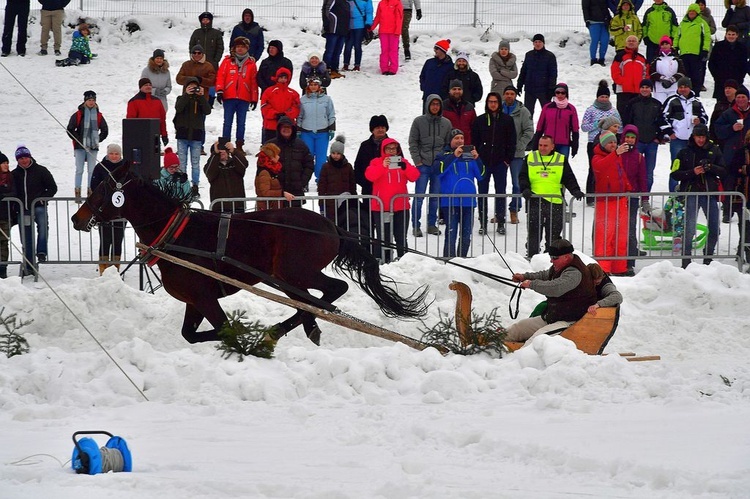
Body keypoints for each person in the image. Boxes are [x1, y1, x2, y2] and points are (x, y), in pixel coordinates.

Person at [506, 238, 597, 346]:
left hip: (570, 322)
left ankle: (520, 359)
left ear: (567, 256)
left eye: (555, 258)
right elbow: (546, 275)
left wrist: (531, 284)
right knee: (517, 329)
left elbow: (556, 288)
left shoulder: (574, 273)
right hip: (554, 317)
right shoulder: (561, 266)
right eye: (551, 257)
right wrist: (524, 276)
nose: (551, 261)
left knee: (535, 342)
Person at [670, 123, 726, 268]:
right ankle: (686, 260)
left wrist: (710, 167)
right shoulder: (684, 152)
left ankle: (708, 257)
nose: (700, 140)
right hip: (691, 193)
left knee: (715, 228)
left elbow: (724, 170)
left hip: (709, 193)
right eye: (697, 137)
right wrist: (692, 172)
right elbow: (674, 174)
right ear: (693, 137)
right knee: (689, 228)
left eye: (702, 137)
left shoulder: (715, 150)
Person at [520, 135, 584, 258]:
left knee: (553, 234)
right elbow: (523, 176)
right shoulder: (530, 158)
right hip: (535, 200)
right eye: (540, 145)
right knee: (534, 233)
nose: (542, 148)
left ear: (552, 146)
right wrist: (525, 189)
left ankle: (552, 258)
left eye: (545, 145)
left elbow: (568, 177)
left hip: (555, 201)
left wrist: (575, 190)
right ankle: (532, 257)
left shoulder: (560, 159)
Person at [365, 137, 419, 263]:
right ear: (383, 150)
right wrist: (383, 166)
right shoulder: (376, 162)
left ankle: (403, 261)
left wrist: (406, 167)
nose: (392, 151)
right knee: (384, 237)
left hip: (401, 206)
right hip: (381, 206)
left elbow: (414, 176)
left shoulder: (403, 162)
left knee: (401, 237)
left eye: (394, 148)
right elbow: (370, 175)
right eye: (389, 148)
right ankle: (383, 260)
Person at [471, 91, 517, 234]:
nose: (492, 104)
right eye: (490, 102)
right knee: (482, 192)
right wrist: (477, 156)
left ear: (499, 103)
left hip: (500, 163)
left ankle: (501, 221)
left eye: (495, 102)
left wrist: (507, 160)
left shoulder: (507, 120)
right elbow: (474, 141)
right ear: (487, 103)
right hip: (483, 163)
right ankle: (483, 223)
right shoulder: (480, 120)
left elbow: (512, 142)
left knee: (500, 192)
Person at [408, 93, 452, 237]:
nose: (435, 107)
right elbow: (413, 142)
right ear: (428, 105)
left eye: (437, 104)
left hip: (438, 166)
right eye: (432, 104)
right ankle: (416, 225)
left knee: (435, 197)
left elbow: (448, 144)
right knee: (419, 197)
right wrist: (417, 160)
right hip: (423, 164)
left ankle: (432, 224)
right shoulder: (418, 121)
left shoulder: (446, 123)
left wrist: (443, 160)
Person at [592, 130, 635, 275]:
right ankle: (603, 268)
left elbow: (621, 173)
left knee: (620, 236)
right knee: (605, 236)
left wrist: (628, 188)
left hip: (620, 199)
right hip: (605, 201)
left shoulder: (616, 156)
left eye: (615, 142)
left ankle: (619, 267)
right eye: (610, 142)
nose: (613, 144)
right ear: (603, 144)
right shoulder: (597, 157)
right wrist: (615, 153)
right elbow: (602, 167)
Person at [436, 129, 484, 258]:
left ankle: (462, 260)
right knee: (451, 233)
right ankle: (449, 260)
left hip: (468, 202)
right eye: (456, 138)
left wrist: (477, 159)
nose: (459, 141)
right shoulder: (443, 155)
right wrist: (453, 156)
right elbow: (438, 171)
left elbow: (482, 175)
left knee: (466, 234)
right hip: (450, 202)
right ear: (450, 141)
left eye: (461, 138)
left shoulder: (469, 157)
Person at [11, 145, 57, 276]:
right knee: (26, 237)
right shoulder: (14, 174)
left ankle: (41, 251)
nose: (24, 161)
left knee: (43, 227)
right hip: (23, 209)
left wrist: (43, 198)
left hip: (38, 207)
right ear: (17, 160)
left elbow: (52, 187)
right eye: (20, 159)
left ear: (30, 157)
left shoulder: (41, 171)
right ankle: (29, 264)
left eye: (25, 157)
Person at [622, 78, 669, 190]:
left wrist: (659, 137)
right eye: (642, 87)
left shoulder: (657, 104)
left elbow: (661, 121)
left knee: (648, 172)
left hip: (652, 142)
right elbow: (627, 122)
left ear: (651, 89)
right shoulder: (632, 103)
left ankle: (645, 197)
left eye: (647, 87)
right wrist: (627, 139)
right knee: (633, 170)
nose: (644, 89)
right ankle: (633, 196)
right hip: (635, 143)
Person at [663, 76, 708, 191]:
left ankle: (688, 192)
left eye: (685, 87)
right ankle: (673, 195)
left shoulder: (697, 102)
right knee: (676, 167)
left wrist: (700, 121)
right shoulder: (672, 100)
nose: (683, 89)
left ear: (690, 88)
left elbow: (705, 117)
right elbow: (663, 117)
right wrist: (670, 132)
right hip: (677, 139)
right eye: (681, 87)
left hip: (692, 141)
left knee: (692, 166)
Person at [581, 81, 622, 203]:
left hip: (610, 143)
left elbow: (620, 126)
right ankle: (590, 196)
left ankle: (606, 193)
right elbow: (584, 127)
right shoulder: (591, 110)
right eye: (601, 97)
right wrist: (598, 124)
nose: (604, 99)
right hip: (594, 142)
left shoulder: (614, 111)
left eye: (606, 97)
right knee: (593, 168)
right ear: (597, 97)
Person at [714, 87, 750, 223]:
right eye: (738, 97)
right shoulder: (728, 113)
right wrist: (731, 128)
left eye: (743, 97)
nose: (740, 99)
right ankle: (727, 211)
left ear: (748, 98)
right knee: (729, 182)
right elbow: (717, 130)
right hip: (731, 154)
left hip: (748, 155)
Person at [89, 143, 127, 275]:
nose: (114, 156)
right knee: (105, 239)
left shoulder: (124, 167)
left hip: (120, 210)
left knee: (118, 239)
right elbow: (94, 185)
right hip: (104, 210)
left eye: (116, 154)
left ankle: (115, 269)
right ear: (107, 154)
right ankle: (103, 268)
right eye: (111, 153)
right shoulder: (100, 167)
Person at [216, 36, 258, 151]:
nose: (240, 49)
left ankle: (239, 145)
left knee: (241, 123)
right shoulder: (227, 61)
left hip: (244, 97)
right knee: (227, 122)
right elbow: (221, 76)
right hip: (229, 96)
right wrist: (220, 90)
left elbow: (254, 81)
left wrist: (254, 98)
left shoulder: (251, 63)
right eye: (237, 47)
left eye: (242, 47)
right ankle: (225, 144)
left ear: (247, 48)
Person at [353, 114, 389, 251]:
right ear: (372, 129)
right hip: (370, 191)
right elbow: (358, 167)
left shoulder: (393, 145)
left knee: (385, 225)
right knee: (369, 223)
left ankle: (385, 252)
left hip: (387, 192)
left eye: (383, 127)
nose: (380, 130)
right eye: (377, 127)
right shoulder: (365, 146)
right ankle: (369, 252)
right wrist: (366, 183)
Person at [66, 89, 108, 202]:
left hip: (93, 147)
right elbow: (70, 129)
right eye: (89, 100)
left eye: (93, 100)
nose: (91, 102)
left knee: (91, 170)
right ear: (85, 101)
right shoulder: (78, 114)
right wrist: (78, 139)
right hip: (80, 146)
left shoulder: (99, 115)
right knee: (79, 169)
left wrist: (98, 139)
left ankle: (91, 191)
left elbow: (105, 129)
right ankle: (78, 192)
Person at [500, 86, 533, 225]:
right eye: (506, 93)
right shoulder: (498, 109)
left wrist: (520, 146)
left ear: (515, 95)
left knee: (517, 183)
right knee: (500, 185)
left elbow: (529, 131)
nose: (509, 96)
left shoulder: (523, 111)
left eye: (512, 94)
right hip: (500, 154)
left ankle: (514, 210)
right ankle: (499, 212)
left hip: (517, 154)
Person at [173, 77, 211, 196]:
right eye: (191, 87)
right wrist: (186, 95)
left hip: (196, 136)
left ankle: (195, 185)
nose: (194, 89)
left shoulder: (200, 100)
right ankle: (182, 185)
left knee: (195, 163)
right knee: (182, 163)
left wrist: (201, 96)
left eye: (196, 87)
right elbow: (178, 108)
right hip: (183, 135)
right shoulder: (181, 98)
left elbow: (207, 111)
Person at [267, 117, 314, 207]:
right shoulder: (270, 145)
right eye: (283, 127)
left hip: (296, 193)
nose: (286, 129)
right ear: (279, 128)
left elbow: (309, 165)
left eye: (289, 127)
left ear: (293, 129)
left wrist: (302, 182)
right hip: (276, 193)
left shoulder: (301, 145)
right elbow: (263, 167)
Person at [298, 76, 336, 181]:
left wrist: (331, 128)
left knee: (321, 158)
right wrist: (298, 130)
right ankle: (305, 181)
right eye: (311, 85)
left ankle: (320, 180)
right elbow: (299, 116)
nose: (313, 87)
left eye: (315, 84)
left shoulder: (327, 99)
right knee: (307, 158)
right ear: (308, 86)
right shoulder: (303, 100)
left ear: (319, 86)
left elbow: (331, 114)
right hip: (307, 132)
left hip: (322, 132)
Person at [673, 3, 711, 98]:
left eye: (693, 12)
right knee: (685, 75)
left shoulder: (702, 23)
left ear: (697, 13)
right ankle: (684, 94)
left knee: (696, 76)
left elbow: (707, 37)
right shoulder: (682, 24)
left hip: (696, 54)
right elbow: (677, 36)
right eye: (690, 11)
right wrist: (675, 47)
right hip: (684, 53)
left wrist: (705, 49)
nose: (691, 13)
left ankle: (696, 94)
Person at [534, 82, 580, 158]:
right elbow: (540, 126)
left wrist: (575, 145)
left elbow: (575, 128)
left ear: (566, 94)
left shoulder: (571, 109)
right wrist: (536, 143)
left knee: (562, 167)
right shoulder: (547, 107)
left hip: (564, 144)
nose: (560, 95)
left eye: (563, 93)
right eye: (557, 92)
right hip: (548, 144)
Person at [517, 34, 558, 116]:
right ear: (533, 43)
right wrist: (519, 84)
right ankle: (528, 129)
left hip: (544, 90)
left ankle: (547, 129)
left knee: (547, 113)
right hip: (530, 89)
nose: (537, 44)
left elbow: (553, 74)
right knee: (528, 113)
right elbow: (524, 71)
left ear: (543, 43)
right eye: (535, 42)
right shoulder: (529, 55)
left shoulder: (550, 56)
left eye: (539, 42)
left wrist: (551, 89)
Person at [189, 12, 224, 105]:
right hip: (198, 62)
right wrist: (194, 58)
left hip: (212, 63)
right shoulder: (196, 33)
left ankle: (211, 99)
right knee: (199, 79)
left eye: (207, 19)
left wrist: (216, 60)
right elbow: (191, 46)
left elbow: (220, 47)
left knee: (211, 81)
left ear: (210, 21)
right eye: (203, 20)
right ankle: (198, 96)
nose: (205, 21)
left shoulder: (216, 33)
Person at [318, 135, 356, 220]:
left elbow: (352, 184)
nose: (335, 155)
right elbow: (321, 185)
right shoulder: (326, 167)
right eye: (333, 153)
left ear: (342, 154)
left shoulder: (348, 167)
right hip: (330, 202)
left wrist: (354, 199)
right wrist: (321, 202)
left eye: (338, 153)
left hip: (344, 202)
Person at [205, 139, 248, 213]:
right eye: (219, 150)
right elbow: (209, 172)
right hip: (219, 208)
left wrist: (234, 151)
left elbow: (244, 164)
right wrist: (215, 154)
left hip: (238, 206)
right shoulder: (213, 164)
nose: (222, 152)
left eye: (224, 149)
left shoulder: (235, 163)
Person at [708, 26, 749, 103]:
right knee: (721, 104)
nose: (731, 36)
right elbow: (711, 63)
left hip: (736, 80)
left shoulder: (742, 48)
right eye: (729, 34)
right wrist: (716, 76)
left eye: (733, 34)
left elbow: (744, 65)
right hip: (721, 80)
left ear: (737, 35)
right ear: (726, 34)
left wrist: (741, 77)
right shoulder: (718, 46)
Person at [260, 67, 301, 143]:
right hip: (271, 126)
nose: (283, 79)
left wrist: (286, 115)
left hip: (287, 126)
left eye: (285, 78)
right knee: (270, 149)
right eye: (281, 77)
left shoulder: (293, 93)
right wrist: (276, 114)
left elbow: (296, 107)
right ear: (277, 78)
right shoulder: (269, 91)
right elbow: (264, 106)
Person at [611, 35, 650, 115]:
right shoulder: (620, 56)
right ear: (626, 43)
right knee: (623, 114)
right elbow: (615, 71)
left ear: (637, 43)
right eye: (629, 41)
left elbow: (646, 73)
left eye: (633, 41)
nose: (631, 42)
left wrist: (643, 85)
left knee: (637, 115)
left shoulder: (642, 58)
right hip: (623, 91)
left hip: (638, 92)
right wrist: (623, 82)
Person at [126, 77, 169, 146]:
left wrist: (164, 135)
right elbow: (131, 121)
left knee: (154, 156)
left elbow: (162, 119)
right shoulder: (133, 101)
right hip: (139, 137)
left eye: (150, 85)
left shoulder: (157, 101)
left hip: (155, 136)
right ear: (140, 87)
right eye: (146, 85)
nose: (148, 86)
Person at [368, 0, 403, 75]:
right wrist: (371, 27)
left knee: (393, 51)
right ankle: (384, 68)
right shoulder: (381, 3)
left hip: (393, 32)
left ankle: (393, 68)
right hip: (383, 31)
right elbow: (378, 17)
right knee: (384, 50)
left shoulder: (397, 3)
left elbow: (399, 18)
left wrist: (397, 31)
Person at [255, 142, 290, 211]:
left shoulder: (273, 169)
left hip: (272, 207)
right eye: (276, 154)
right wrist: (282, 193)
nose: (278, 157)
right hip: (267, 209)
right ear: (271, 157)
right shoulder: (264, 172)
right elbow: (265, 192)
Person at [649, 35, 684, 104]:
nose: (664, 46)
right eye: (662, 44)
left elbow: (682, 72)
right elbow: (651, 72)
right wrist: (662, 78)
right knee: (660, 106)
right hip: (660, 88)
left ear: (670, 45)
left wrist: (672, 79)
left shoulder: (677, 58)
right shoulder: (656, 59)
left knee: (672, 107)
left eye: (666, 44)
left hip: (674, 88)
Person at [442, 80, 476, 145]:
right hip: (448, 147)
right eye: (454, 89)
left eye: (459, 89)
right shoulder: (443, 106)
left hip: (466, 145)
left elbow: (474, 128)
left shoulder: (469, 107)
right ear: (449, 91)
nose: (457, 91)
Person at [419, 39, 453, 104]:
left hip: (442, 99)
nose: (434, 50)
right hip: (428, 96)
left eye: (437, 48)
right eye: (434, 48)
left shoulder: (450, 66)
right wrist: (424, 87)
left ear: (443, 50)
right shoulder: (429, 62)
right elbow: (422, 76)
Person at [342, 0, 373, 71]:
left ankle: (357, 65)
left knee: (357, 45)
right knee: (348, 45)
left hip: (359, 25)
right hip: (349, 25)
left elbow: (369, 12)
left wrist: (368, 23)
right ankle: (346, 64)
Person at [322, 0, 350, 79]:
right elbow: (325, 9)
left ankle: (334, 70)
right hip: (332, 29)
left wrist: (348, 30)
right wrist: (326, 23)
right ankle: (325, 71)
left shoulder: (347, 3)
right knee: (329, 51)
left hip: (343, 30)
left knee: (338, 52)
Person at [709, 79, 739, 148]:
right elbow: (713, 121)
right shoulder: (720, 104)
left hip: (736, 140)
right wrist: (712, 138)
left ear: (736, 90)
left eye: (730, 88)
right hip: (721, 139)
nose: (727, 90)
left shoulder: (740, 104)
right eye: (726, 88)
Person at [0, 152, 16, 279]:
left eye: (7, 163)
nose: (6, 165)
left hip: (5, 216)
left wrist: (4, 196)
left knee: (4, 242)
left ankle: (3, 267)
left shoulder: (11, 177)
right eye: (3, 163)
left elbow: (14, 192)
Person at [583, 0, 612, 65]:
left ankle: (602, 59)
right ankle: (593, 59)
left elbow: (607, 6)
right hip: (593, 22)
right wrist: (586, 20)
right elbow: (585, 8)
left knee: (605, 40)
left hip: (605, 21)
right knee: (594, 41)